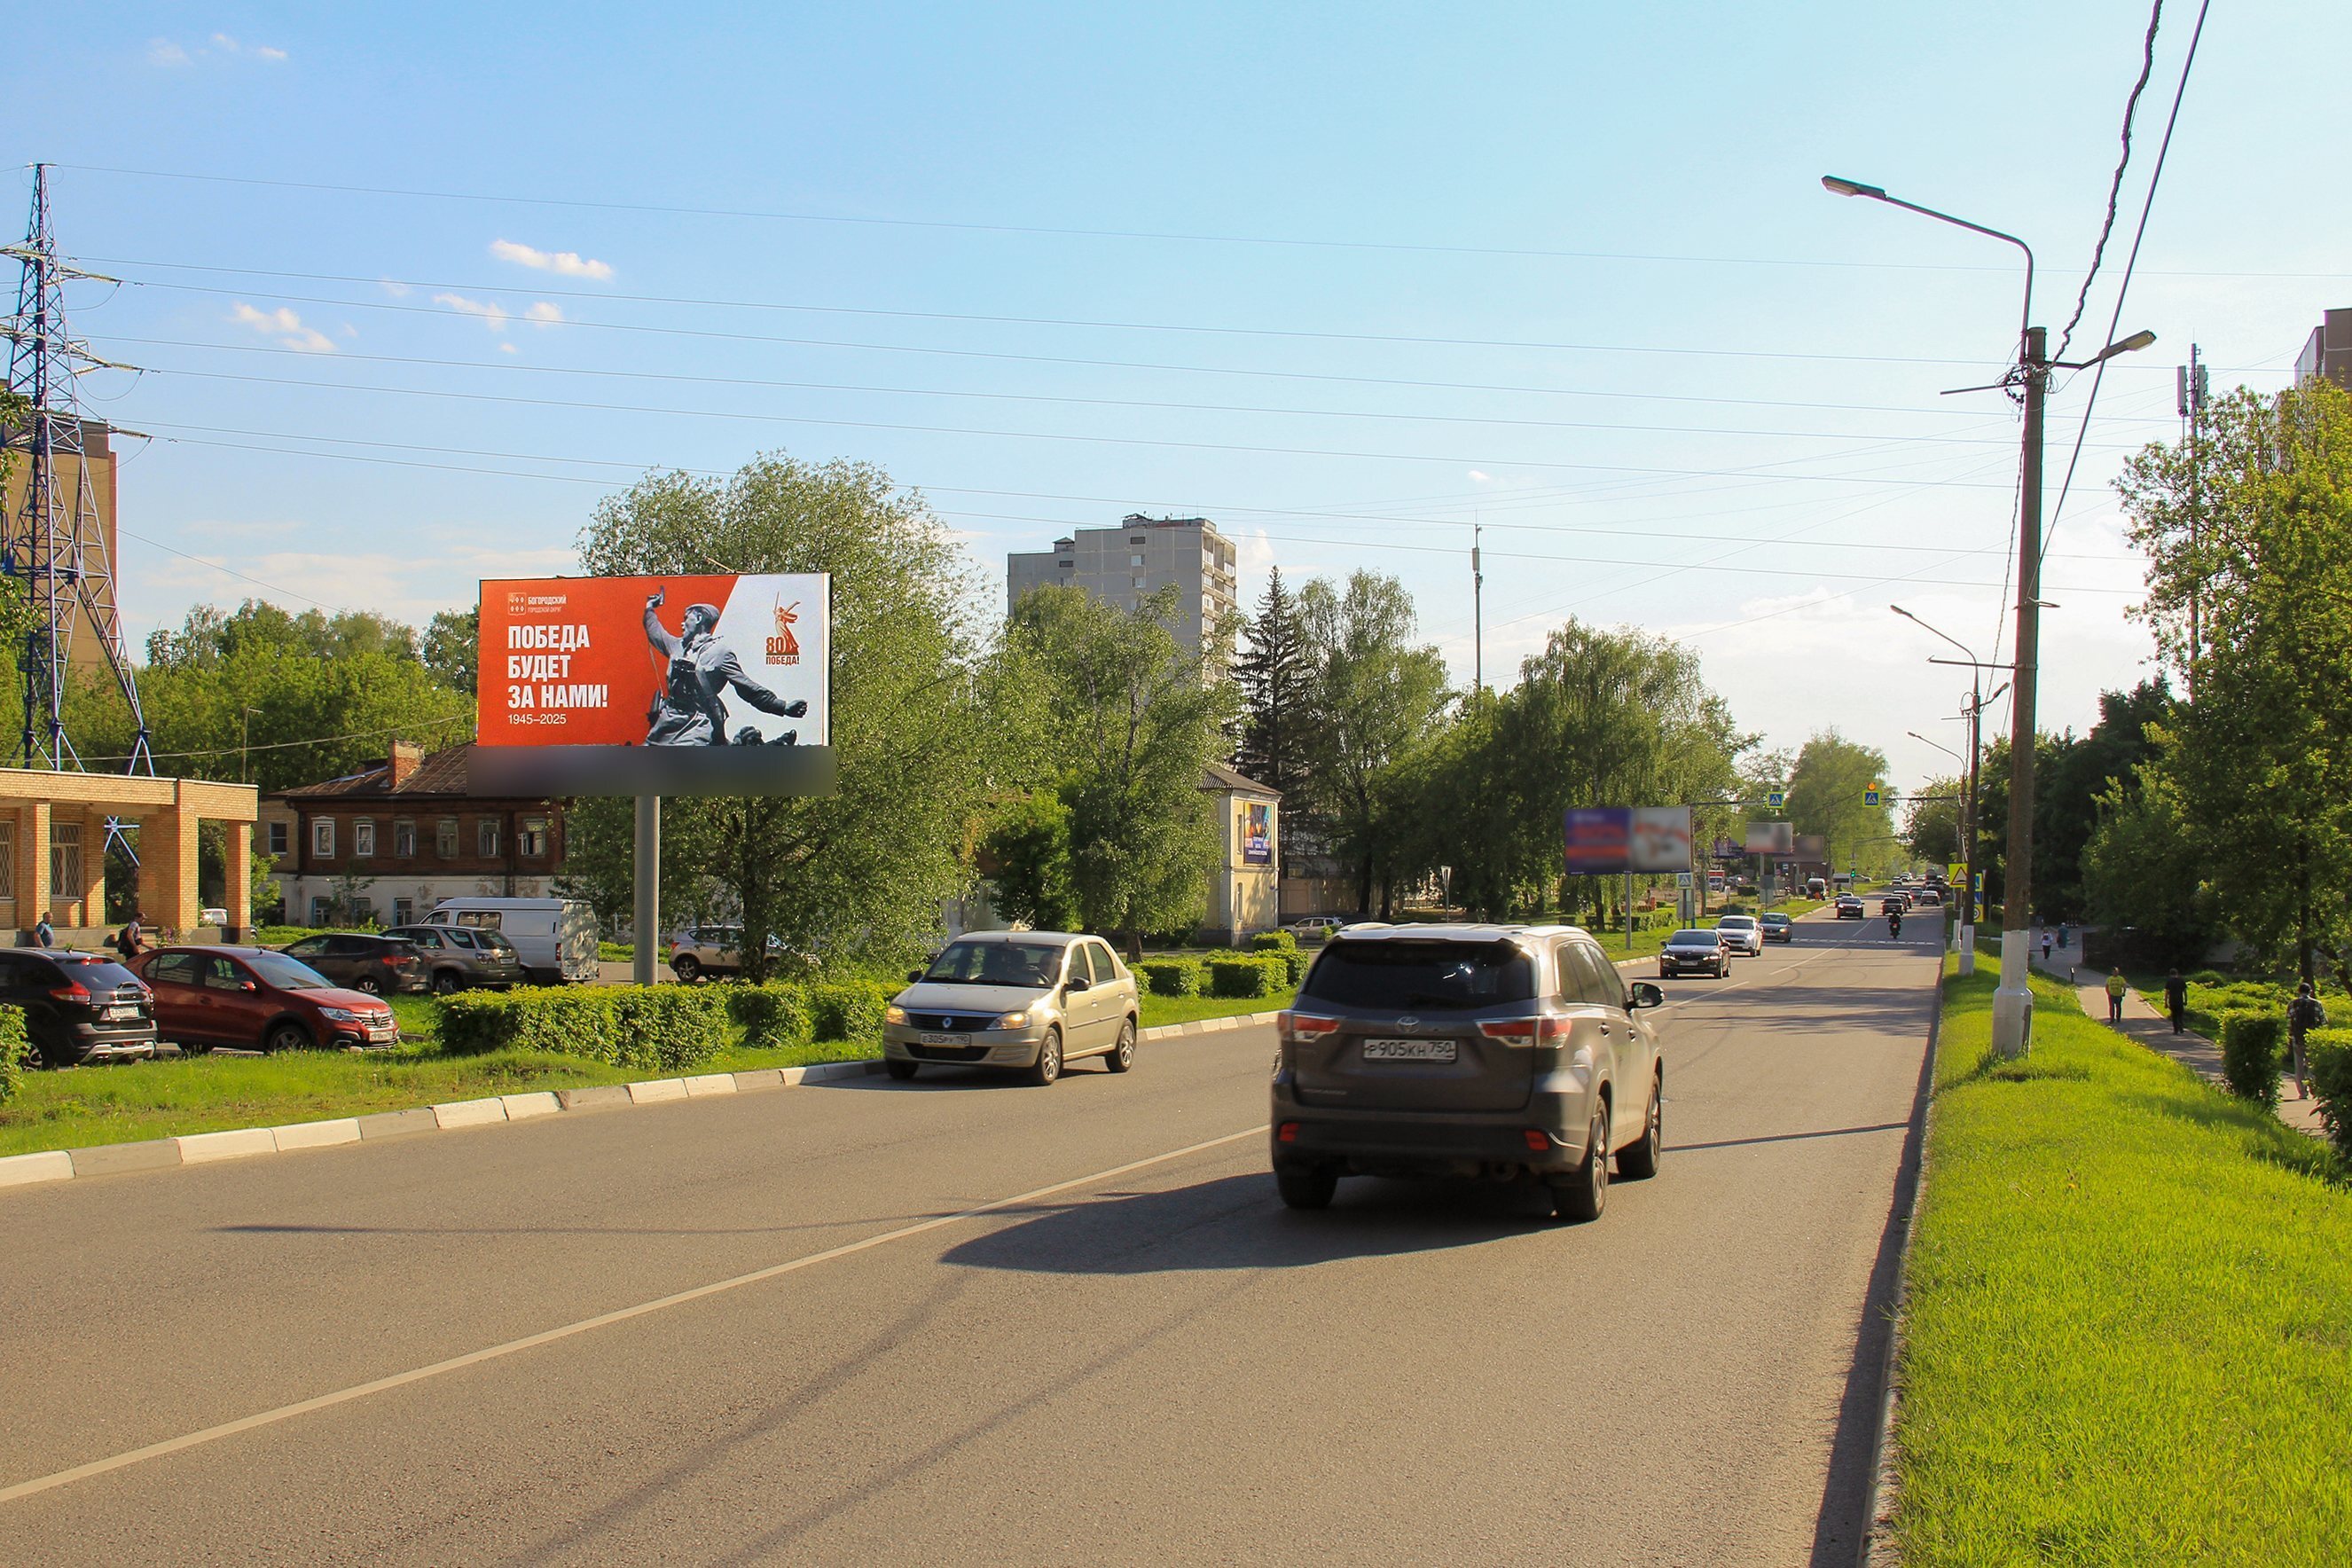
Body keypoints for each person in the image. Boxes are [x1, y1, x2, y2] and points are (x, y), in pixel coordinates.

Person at [640, 587, 808, 747]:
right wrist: (649, 608)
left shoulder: (720, 653)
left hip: (696, 726)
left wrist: (782, 706)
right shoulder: (677, 646)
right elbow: (655, 631)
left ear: (699, 619)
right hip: (666, 723)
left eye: (687, 618)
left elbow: (747, 688)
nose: (682, 623)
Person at [2286, 981, 2327, 1102]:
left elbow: (2288, 1020)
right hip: (2312, 1039)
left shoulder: (2293, 1004)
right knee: (2312, 1065)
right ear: (2311, 991)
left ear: (2299, 991)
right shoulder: (2317, 1004)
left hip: (2297, 1038)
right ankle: (2313, 1089)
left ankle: (2302, 1093)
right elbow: (2324, 1021)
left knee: (2298, 1066)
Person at [2163, 968, 2188, 1035]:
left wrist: (2165, 1002)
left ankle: (2176, 1030)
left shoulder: (2169, 981)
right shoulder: (2181, 980)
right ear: (2177, 973)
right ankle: (2181, 1026)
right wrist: (2186, 1000)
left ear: (2170, 974)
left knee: (2174, 1016)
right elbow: (2185, 992)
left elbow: (2166, 993)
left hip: (2172, 1001)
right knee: (2180, 1015)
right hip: (2180, 1001)